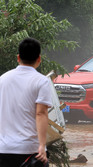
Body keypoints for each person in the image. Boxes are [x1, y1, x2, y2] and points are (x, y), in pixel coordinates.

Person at [0, 38, 52, 167]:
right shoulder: (42, 81)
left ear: (18, 57)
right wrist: (41, 145)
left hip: (4, 149)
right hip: (30, 149)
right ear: (39, 59)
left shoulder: (3, 79)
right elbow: (41, 114)